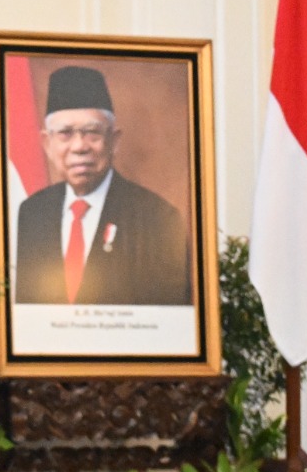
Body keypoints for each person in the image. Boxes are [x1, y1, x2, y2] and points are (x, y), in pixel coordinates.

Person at [13, 65, 191, 305]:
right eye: (65, 133)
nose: (79, 147)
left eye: (92, 132)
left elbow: (166, 319)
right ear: (47, 143)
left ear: (114, 141)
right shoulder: (32, 213)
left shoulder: (156, 217)